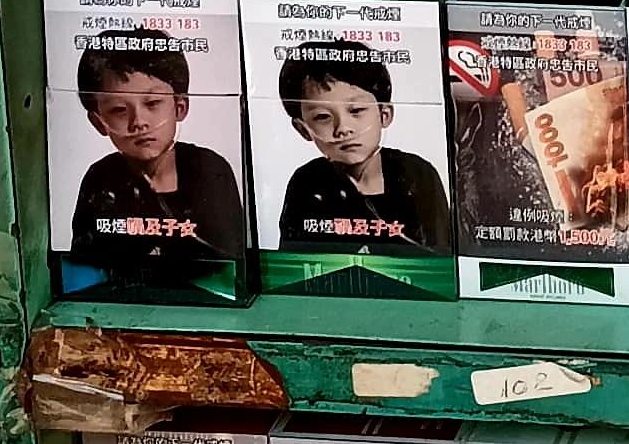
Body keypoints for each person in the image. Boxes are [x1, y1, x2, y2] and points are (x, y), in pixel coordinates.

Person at [68, 38, 246, 285]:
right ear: (99, 122)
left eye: (152, 104)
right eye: (119, 110)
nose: (138, 122)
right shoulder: (100, 178)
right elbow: (84, 270)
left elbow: (229, 269)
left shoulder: (210, 169)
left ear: (180, 107)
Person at [277, 55, 448, 252]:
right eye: (323, 116)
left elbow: (441, 257)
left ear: (384, 114)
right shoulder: (307, 183)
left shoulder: (417, 174)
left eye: (356, 110)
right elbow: (294, 265)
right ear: (303, 129)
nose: (343, 129)